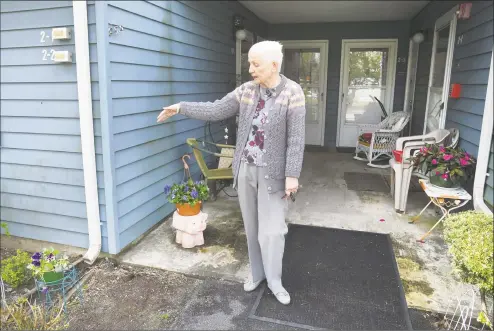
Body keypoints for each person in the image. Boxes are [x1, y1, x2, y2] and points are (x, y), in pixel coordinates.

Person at [157, 40, 306, 305]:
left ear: (274, 65)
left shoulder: (293, 92)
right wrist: (181, 107)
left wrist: (292, 175)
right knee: (251, 228)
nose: (250, 69)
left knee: (272, 231)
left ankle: (275, 281)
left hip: (275, 173)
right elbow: (216, 109)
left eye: (255, 64)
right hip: (246, 169)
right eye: (250, 63)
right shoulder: (247, 90)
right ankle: (258, 274)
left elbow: (296, 139)